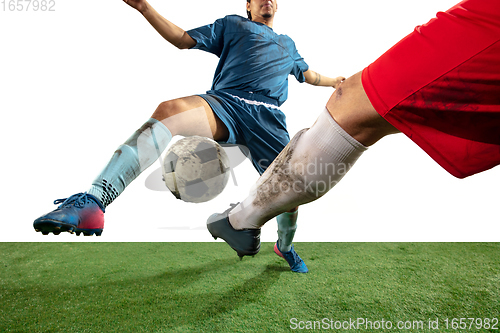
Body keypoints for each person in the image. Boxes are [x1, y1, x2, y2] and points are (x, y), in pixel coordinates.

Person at [33, 0, 344, 273]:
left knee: (291, 193)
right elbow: (183, 39)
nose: (268, 0)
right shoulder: (233, 25)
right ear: (248, 5)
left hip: (269, 117)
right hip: (227, 102)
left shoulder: (287, 44)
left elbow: (307, 74)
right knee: (170, 109)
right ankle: (94, 202)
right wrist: (144, 7)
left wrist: (333, 82)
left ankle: (285, 247)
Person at [207, 0, 500, 258]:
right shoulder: (240, 31)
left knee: (353, 101)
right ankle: (266, 234)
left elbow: (306, 73)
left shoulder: (284, 44)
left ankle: (241, 222)